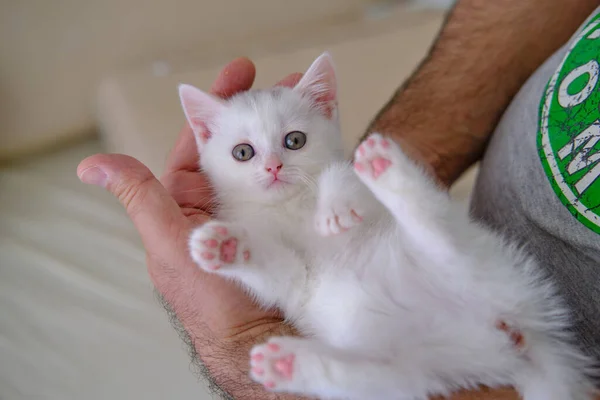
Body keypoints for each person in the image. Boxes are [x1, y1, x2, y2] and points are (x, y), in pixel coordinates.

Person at [77, 0, 600, 398]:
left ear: (325, 113)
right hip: (463, 314)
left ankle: (336, 366)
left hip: (461, 306)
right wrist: (245, 261)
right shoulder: (247, 217)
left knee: (370, 269)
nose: (273, 165)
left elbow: (337, 217)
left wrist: (246, 331)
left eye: (295, 140)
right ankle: (343, 368)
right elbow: (289, 282)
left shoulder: (337, 183)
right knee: (369, 318)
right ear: (205, 138)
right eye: (242, 152)